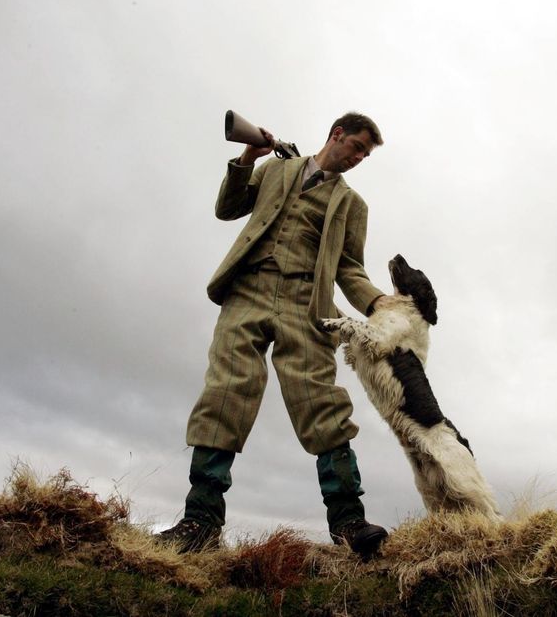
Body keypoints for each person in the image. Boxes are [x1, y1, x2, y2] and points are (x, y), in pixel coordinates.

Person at [157, 113, 389, 558]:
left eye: (365, 154)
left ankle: (348, 523)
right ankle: (200, 523)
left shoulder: (352, 204)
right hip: (247, 291)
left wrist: (380, 305)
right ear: (336, 134)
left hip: (307, 303)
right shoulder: (276, 169)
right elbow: (227, 208)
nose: (359, 158)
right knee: (225, 393)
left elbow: (349, 269)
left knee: (321, 402)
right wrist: (250, 154)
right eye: (357, 147)